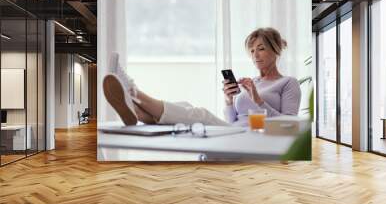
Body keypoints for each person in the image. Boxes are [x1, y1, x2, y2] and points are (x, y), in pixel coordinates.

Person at [103, 27, 301, 126]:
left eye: (261, 49)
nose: (254, 55)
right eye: (251, 50)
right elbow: (232, 120)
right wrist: (229, 100)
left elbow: (290, 127)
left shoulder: (288, 83)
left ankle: (133, 91)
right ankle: (137, 113)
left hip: (255, 134)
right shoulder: (253, 82)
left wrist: (257, 99)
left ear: (275, 51)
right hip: (236, 130)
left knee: (202, 114)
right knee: (185, 105)